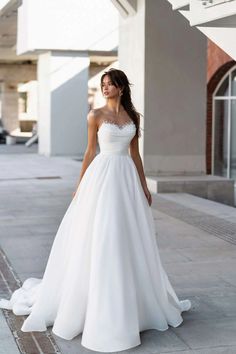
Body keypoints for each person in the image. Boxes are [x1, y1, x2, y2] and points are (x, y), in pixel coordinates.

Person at [0, 68, 191, 353]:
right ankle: (97, 299)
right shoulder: (95, 116)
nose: (104, 88)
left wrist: (144, 186)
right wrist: (79, 187)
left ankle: (135, 301)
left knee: (128, 237)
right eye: (102, 84)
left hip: (125, 178)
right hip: (101, 178)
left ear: (121, 88)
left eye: (109, 85)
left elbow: (135, 155)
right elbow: (90, 152)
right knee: (102, 234)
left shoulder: (133, 118)